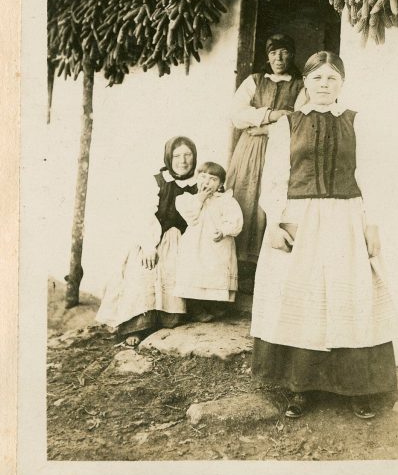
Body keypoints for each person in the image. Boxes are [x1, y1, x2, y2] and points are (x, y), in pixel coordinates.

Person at [251, 51, 397, 419]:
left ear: (341, 83)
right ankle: (300, 388)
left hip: (346, 218)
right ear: (306, 83)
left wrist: (372, 224)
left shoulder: (356, 122)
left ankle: (357, 388)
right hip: (300, 219)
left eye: (331, 78)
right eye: (317, 79)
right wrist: (275, 223)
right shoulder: (287, 125)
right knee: (304, 298)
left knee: (350, 298)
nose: (324, 85)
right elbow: (273, 179)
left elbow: (372, 176)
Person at [95, 136, 198, 346]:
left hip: (184, 242)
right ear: (169, 157)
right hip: (155, 238)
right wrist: (149, 246)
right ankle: (137, 327)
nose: (183, 161)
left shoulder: (199, 183)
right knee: (144, 270)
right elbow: (144, 215)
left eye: (188, 155)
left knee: (176, 275)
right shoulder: (158, 181)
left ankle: (169, 319)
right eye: (177, 156)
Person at [226, 33, 304, 292]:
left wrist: (265, 129)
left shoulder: (301, 85)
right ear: (267, 56)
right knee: (245, 199)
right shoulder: (254, 81)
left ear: (291, 54)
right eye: (273, 53)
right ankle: (240, 276)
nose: (278, 58)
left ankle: (267, 276)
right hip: (249, 151)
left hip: (281, 150)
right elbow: (237, 115)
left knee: (272, 202)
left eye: (283, 52)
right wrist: (273, 114)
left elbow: (299, 120)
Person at [174, 162, 243, 322]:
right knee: (196, 271)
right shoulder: (187, 199)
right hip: (196, 243)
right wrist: (201, 198)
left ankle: (214, 305)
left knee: (215, 271)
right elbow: (190, 217)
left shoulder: (226, 200)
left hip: (217, 243)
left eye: (213, 179)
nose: (206, 182)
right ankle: (196, 308)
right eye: (203, 177)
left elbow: (235, 220)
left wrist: (224, 231)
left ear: (220, 184)